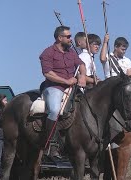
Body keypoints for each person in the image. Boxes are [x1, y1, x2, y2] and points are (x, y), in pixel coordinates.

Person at [40, 25, 87, 158]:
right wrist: (66, 82)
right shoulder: (48, 53)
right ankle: (51, 144)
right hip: (54, 87)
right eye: (68, 36)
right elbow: (48, 73)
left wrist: (82, 76)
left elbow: (81, 64)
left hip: (73, 87)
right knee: (55, 110)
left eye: (70, 36)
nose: (71, 39)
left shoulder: (71, 52)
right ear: (60, 38)